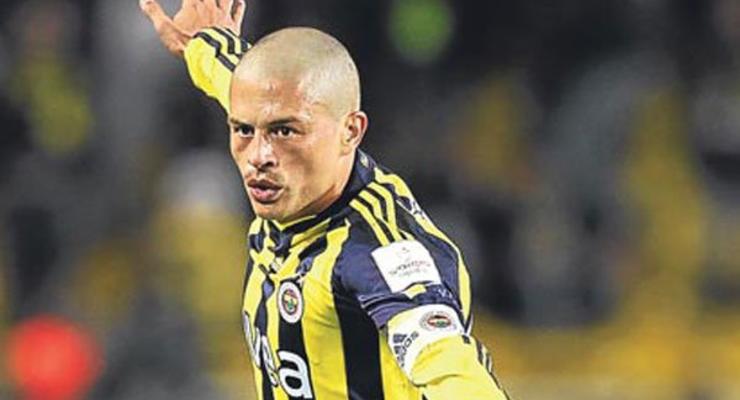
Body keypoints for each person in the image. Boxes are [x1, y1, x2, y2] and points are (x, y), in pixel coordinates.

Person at [141, 0, 510, 398]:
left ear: (350, 131)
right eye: (243, 130)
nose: (259, 156)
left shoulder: (377, 252)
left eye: (285, 132)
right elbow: (239, 85)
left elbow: (451, 368)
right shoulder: (286, 156)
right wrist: (204, 44)